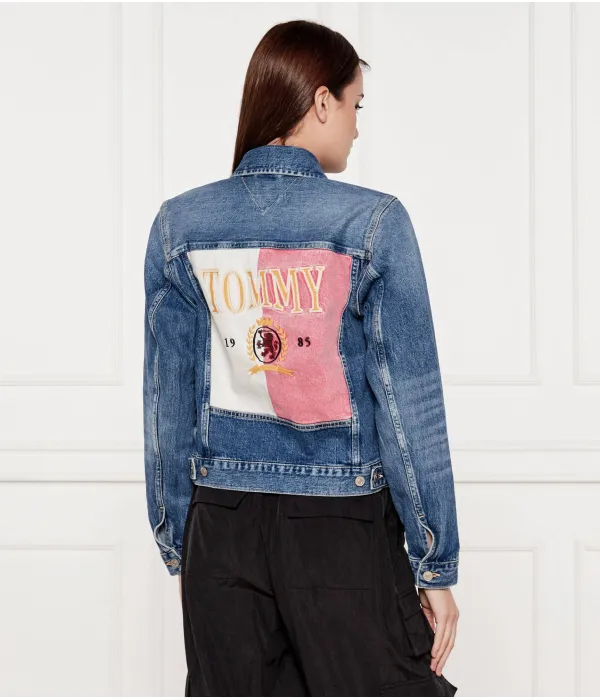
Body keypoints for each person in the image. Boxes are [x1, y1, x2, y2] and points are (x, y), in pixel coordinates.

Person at [143, 18, 460, 697]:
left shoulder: (180, 226)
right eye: (355, 105)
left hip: (222, 528)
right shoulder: (372, 224)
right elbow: (409, 402)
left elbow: (167, 402)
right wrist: (434, 560)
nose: (356, 126)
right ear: (321, 101)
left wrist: (179, 538)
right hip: (340, 531)